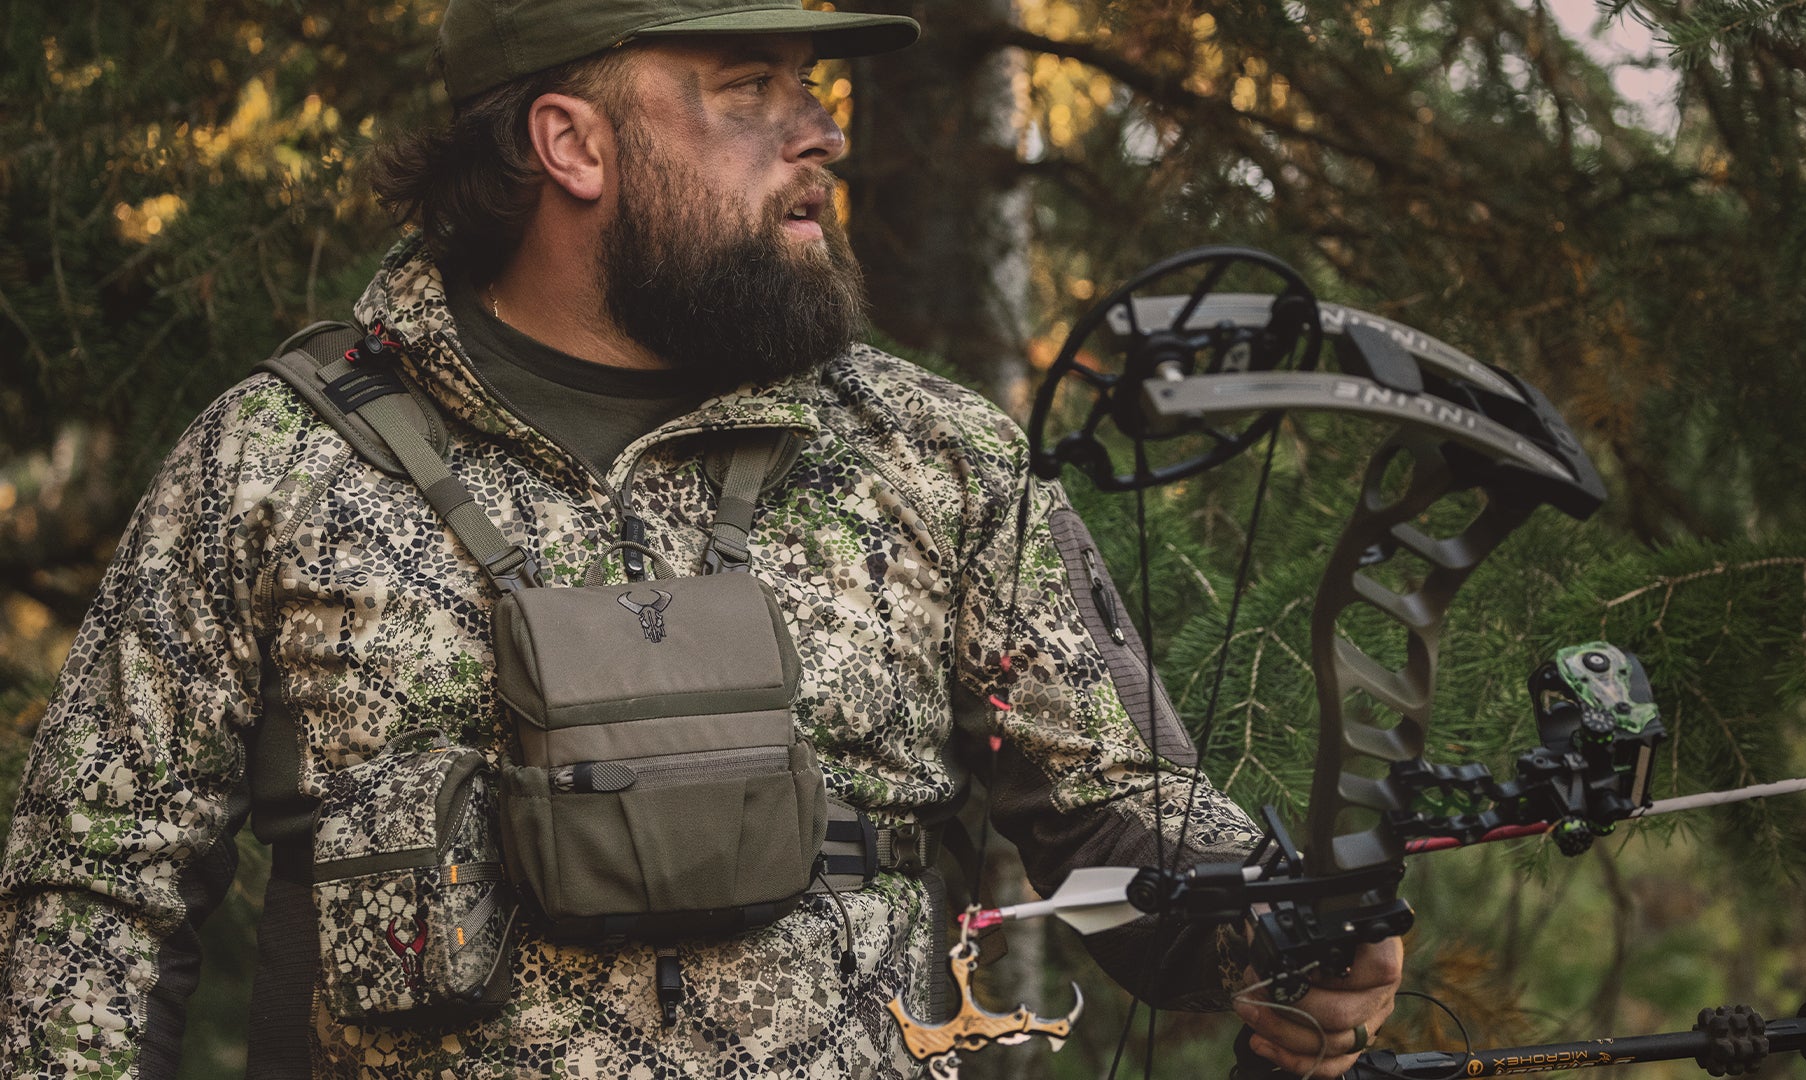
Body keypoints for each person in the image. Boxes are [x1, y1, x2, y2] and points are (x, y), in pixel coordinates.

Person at [0, 1, 1399, 1076]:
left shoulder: (933, 454)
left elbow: (1117, 812)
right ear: (573, 142)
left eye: (812, 88)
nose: (824, 131)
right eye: (749, 91)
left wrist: (1280, 934)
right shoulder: (277, 462)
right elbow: (95, 893)